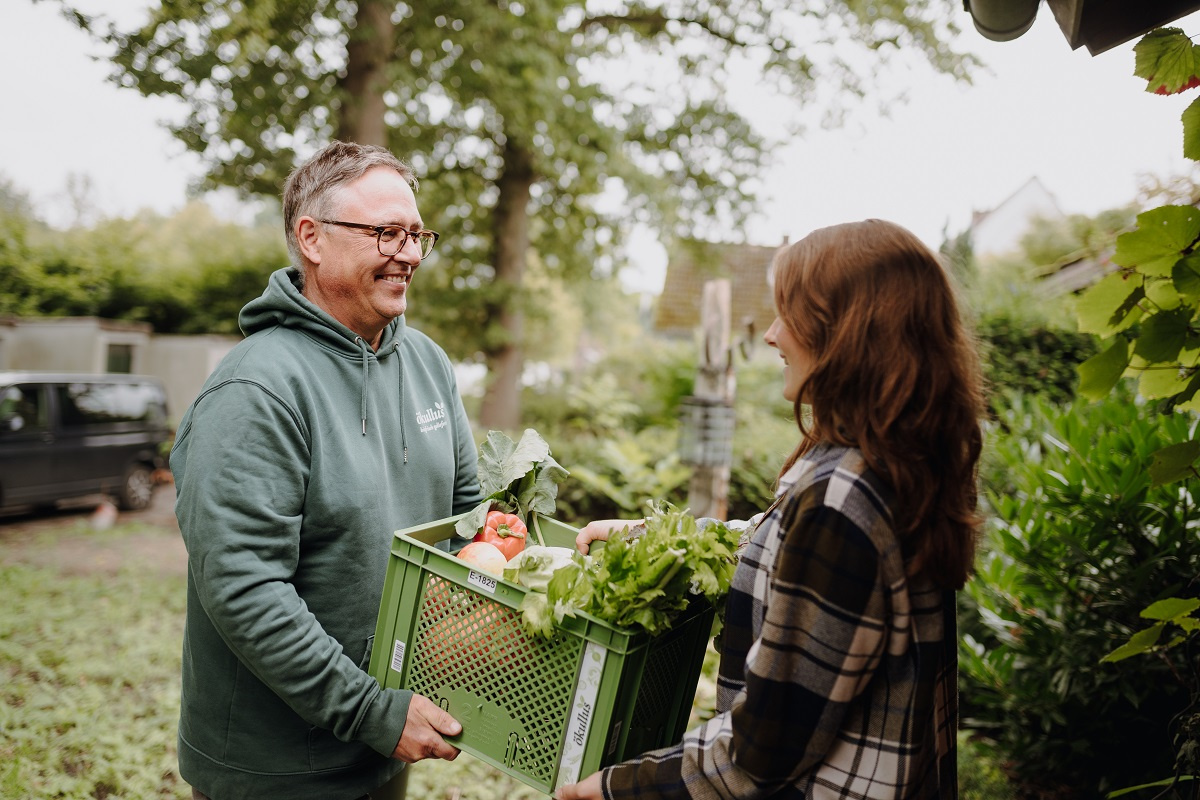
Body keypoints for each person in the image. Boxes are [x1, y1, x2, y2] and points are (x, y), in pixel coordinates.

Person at [559, 219, 984, 800]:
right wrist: (647, 538)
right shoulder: (899, 467)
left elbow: (761, 753)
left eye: (790, 315)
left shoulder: (844, 500)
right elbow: (779, 551)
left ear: (849, 334)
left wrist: (610, 790)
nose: (772, 335)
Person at [170, 140, 485, 800]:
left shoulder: (427, 364)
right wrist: (368, 709)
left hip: (384, 747)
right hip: (274, 769)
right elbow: (244, 585)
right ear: (311, 238)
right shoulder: (256, 390)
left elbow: (469, 525)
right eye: (385, 233)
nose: (409, 253)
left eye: (416, 234)